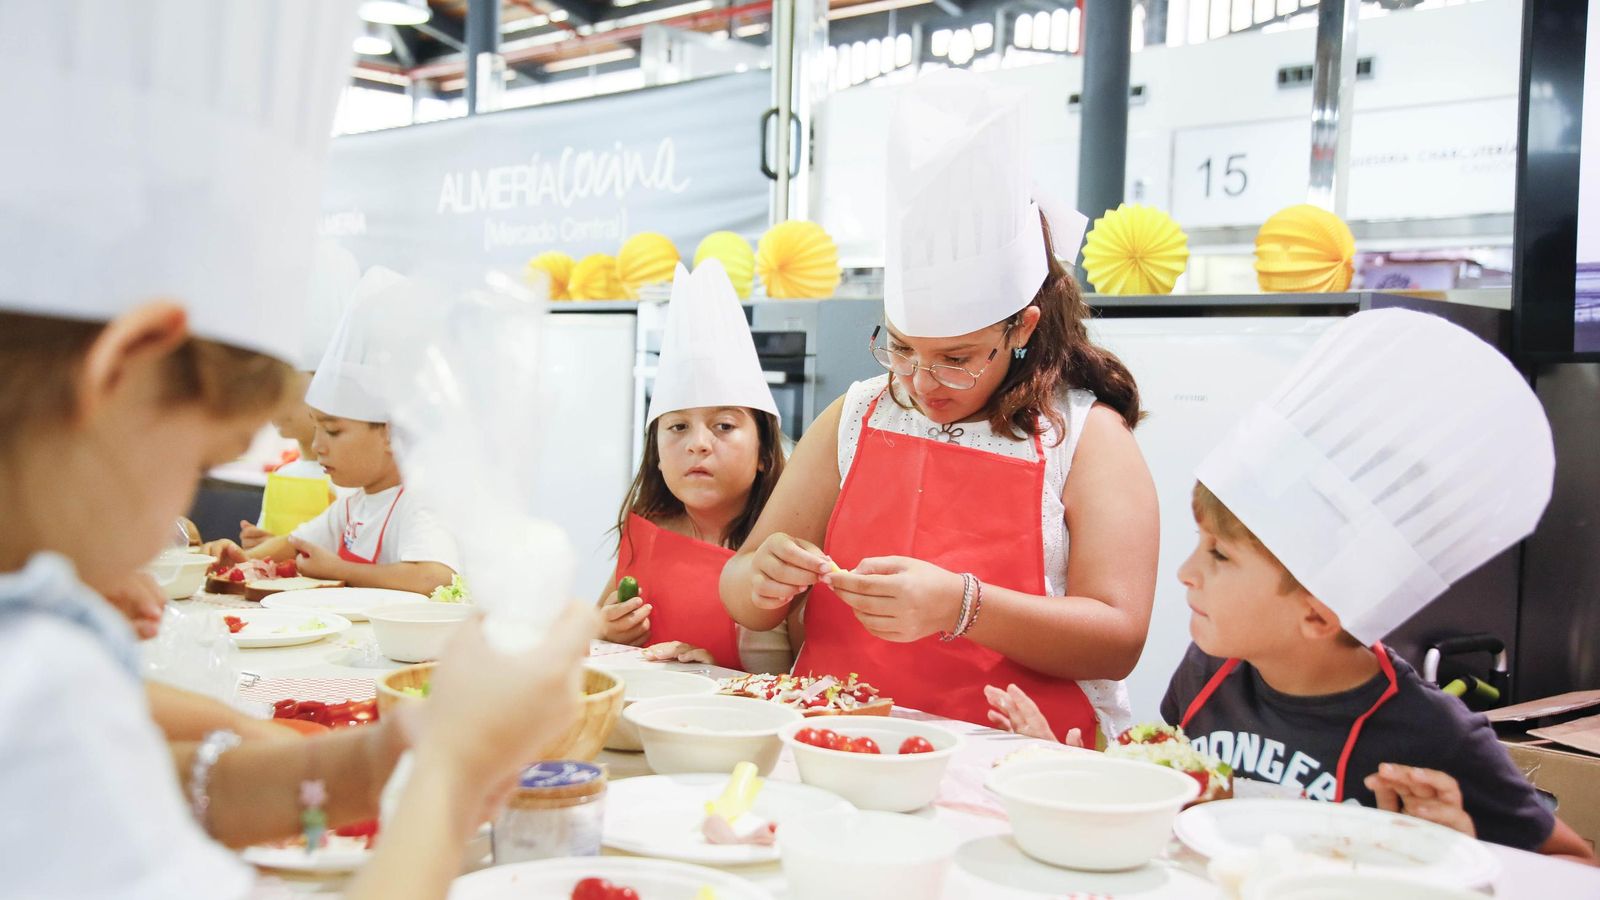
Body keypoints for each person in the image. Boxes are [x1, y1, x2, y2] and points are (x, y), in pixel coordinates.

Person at [0, 5, 595, 898]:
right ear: (120, 371)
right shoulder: (31, 683)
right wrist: (450, 775)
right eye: (202, 462)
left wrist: (372, 765)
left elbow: (146, 790)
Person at [985, 309, 1595, 863]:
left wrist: (1458, 848)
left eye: (1220, 555)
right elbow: (1170, 802)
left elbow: (1575, 868)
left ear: (1320, 612)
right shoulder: (1207, 674)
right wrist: (1068, 767)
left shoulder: (1435, 737)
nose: (1185, 572)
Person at [719, 74, 1159, 741]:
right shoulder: (859, 415)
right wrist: (762, 581)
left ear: (1023, 328)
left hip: (1014, 761)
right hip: (839, 741)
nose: (923, 383)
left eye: (957, 358)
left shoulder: (1086, 438)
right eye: (901, 349)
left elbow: (1118, 638)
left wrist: (963, 605)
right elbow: (740, 583)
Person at [205, 268, 459, 597]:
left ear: (389, 434)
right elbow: (297, 544)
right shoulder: (354, 506)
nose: (317, 445)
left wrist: (341, 569)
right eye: (317, 427)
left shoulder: (420, 500)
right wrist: (244, 559)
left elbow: (433, 578)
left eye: (333, 431)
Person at [601, 262, 794, 672]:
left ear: (763, 452)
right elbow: (592, 635)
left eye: (724, 426)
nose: (698, 444)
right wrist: (607, 631)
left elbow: (811, 680)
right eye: (677, 427)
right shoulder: (644, 532)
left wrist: (716, 675)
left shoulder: (787, 552)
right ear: (656, 449)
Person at [238, 244, 362, 550]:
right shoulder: (284, 474)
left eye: (293, 393)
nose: (278, 405)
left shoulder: (350, 485)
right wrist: (260, 542)